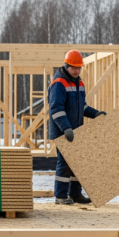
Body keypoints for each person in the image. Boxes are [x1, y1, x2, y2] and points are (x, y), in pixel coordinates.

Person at [48, 50, 107, 205]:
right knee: (65, 163)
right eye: (73, 67)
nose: (76, 70)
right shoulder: (59, 83)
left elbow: (83, 107)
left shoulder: (79, 83)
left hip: (76, 131)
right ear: (66, 66)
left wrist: (95, 114)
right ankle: (60, 196)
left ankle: (75, 194)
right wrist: (66, 128)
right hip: (63, 131)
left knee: (78, 163)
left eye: (78, 68)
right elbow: (56, 109)